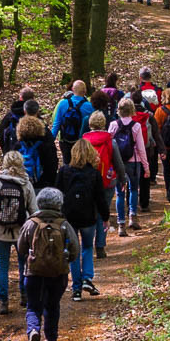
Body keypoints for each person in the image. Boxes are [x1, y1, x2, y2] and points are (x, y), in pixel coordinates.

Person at [16, 188, 79, 341]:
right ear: (59, 204)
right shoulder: (64, 224)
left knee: (33, 306)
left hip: (34, 272)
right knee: (52, 306)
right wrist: (66, 260)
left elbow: (21, 247)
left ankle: (33, 331)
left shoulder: (31, 223)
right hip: (58, 273)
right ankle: (52, 340)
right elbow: (75, 249)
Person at [0, 151, 38, 314]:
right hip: (21, 230)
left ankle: (3, 301)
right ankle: (24, 295)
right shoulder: (25, 183)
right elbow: (33, 208)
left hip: (0, 230)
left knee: (2, 265)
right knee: (24, 263)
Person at [58, 137, 108, 301]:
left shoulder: (64, 171)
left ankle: (76, 289)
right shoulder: (94, 174)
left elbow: (56, 193)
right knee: (87, 247)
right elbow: (100, 198)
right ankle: (87, 278)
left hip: (69, 217)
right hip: (88, 217)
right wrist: (105, 217)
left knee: (73, 252)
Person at [83, 110, 125, 251]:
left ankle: (88, 243)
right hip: (107, 181)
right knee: (103, 211)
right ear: (103, 124)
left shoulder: (83, 142)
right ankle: (100, 245)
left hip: (87, 182)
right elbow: (118, 163)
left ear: (90, 124)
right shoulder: (110, 141)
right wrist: (123, 179)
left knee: (89, 212)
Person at [109, 98, 148, 235]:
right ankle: (133, 216)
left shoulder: (113, 125)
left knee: (119, 193)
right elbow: (141, 148)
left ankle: (121, 225)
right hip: (133, 162)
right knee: (133, 189)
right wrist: (146, 166)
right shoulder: (136, 126)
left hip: (117, 163)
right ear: (132, 110)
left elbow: (109, 147)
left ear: (119, 110)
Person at [134, 88, 164, 212]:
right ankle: (144, 204)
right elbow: (156, 134)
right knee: (145, 178)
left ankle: (130, 204)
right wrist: (162, 150)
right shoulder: (149, 116)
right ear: (142, 101)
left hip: (130, 153)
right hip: (147, 151)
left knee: (132, 179)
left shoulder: (126, 116)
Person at [50, 81, 94, 164]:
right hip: (81, 142)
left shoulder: (63, 103)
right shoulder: (89, 106)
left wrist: (50, 141)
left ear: (73, 89)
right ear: (85, 91)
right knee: (81, 164)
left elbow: (56, 124)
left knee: (66, 164)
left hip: (65, 140)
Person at [16, 110, 58, 192]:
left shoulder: (17, 146)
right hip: (42, 185)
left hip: (22, 185)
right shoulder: (45, 145)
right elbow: (52, 164)